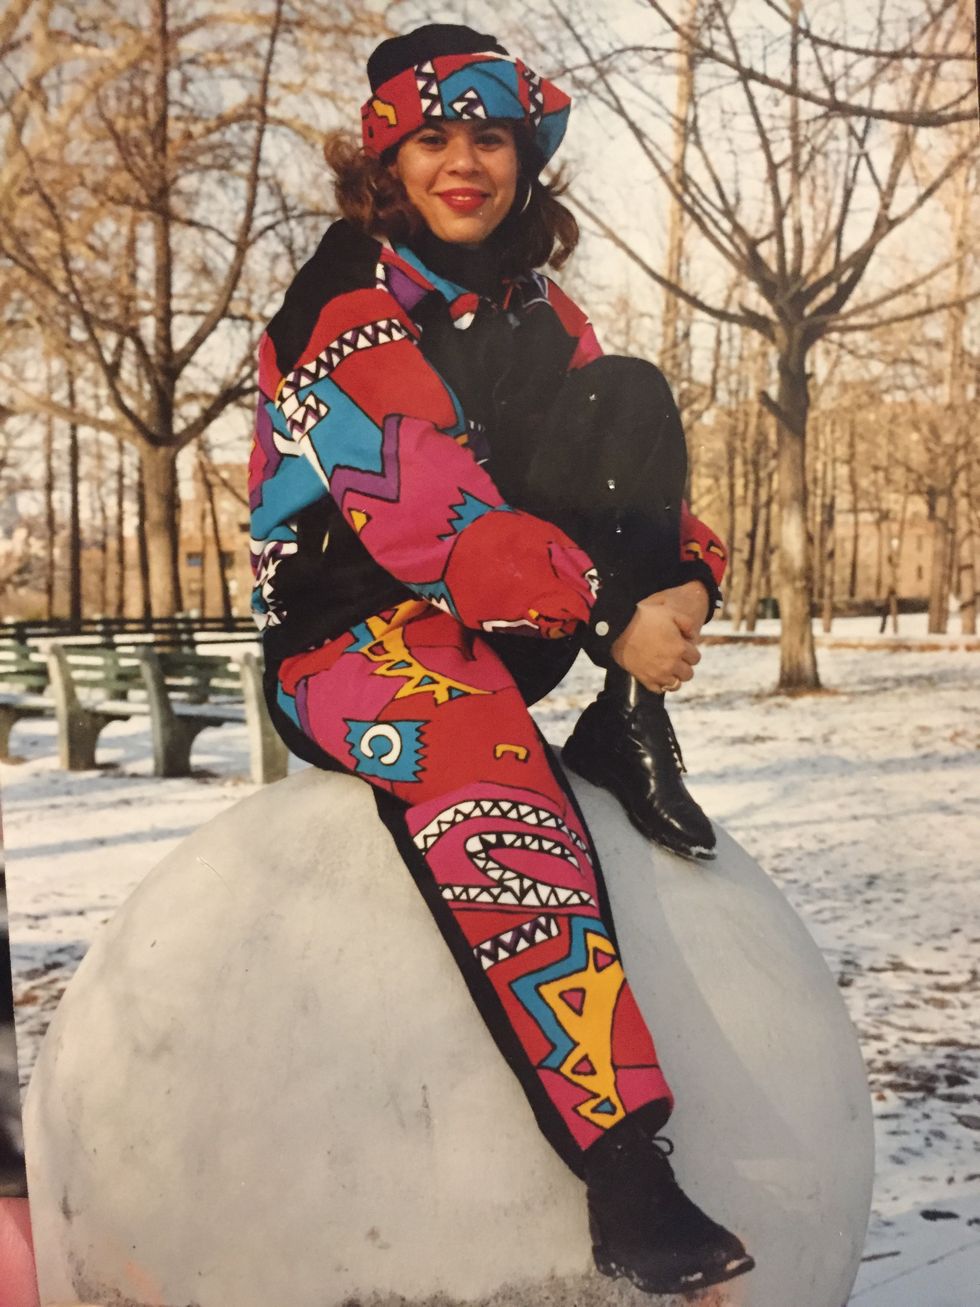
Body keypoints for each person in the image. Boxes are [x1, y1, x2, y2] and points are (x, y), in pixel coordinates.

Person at [250, 23, 753, 1296]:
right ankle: (623, 1168)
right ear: (385, 159)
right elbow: (431, 512)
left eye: (490, 136)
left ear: (525, 157)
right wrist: (604, 614)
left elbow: (621, 478)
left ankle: (626, 721)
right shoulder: (338, 305)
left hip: (508, 617)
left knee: (628, 395)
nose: (463, 163)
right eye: (433, 137)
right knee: (477, 745)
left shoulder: (537, 310)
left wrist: (685, 575)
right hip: (349, 639)